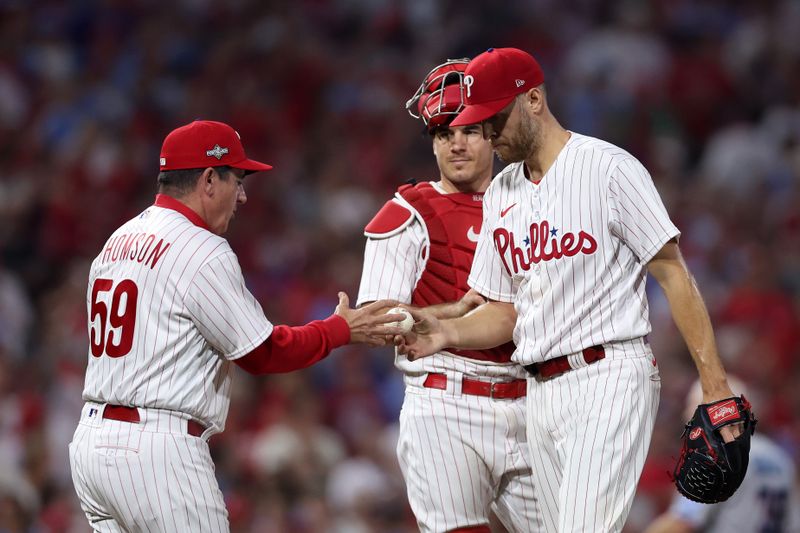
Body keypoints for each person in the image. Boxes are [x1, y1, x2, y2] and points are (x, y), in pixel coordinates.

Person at [398, 47, 745, 532]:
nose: (487, 133)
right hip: (538, 392)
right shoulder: (501, 191)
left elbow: (673, 274)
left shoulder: (607, 169)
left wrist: (715, 387)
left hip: (607, 375)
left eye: (493, 118)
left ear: (534, 100)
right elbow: (503, 311)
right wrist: (445, 333)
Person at [68, 120, 403, 532]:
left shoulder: (117, 240)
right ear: (209, 179)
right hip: (156, 450)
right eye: (237, 180)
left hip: (91, 445)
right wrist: (340, 329)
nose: (243, 195)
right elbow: (264, 353)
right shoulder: (200, 247)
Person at [357, 59, 542, 532]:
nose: (456, 143)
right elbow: (376, 317)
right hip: (446, 401)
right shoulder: (408, 213)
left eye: (470, 131)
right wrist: (434, 318)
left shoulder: (535, 204)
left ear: (493, 135)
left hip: (533, 400)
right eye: (443, 133)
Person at [644, 378, 800, 533]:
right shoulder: (780, 458)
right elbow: (793, 524)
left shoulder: (716, 456)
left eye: (692, 406)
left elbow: (682, 522)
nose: (686, 414)